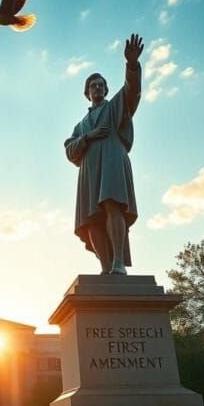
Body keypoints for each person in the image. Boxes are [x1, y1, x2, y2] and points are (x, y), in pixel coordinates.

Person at [64, 33, 144, 275]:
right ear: (87, 93)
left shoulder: (114, 107)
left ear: (107, 90)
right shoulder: (80, 126)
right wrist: (88, 136)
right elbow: (70, 150)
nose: (98, 88)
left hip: (111, 162)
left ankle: (118, 262)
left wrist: (131, 65)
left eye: (101, 85)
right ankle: (105, 267)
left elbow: (132, 92)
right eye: (93, 86)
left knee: (113, 205)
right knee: (90, 219)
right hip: (89, 172)